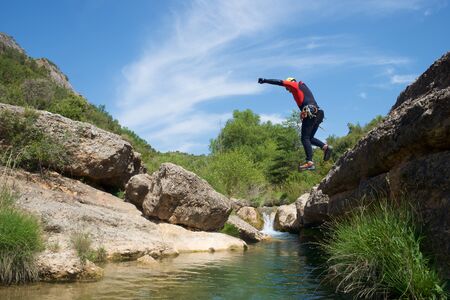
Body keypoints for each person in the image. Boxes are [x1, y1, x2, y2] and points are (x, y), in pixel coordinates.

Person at [258, 77, 332, 171]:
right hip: (318, 113)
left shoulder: (295, 85)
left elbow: (280, 82)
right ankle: (325, 147)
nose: (288, 90)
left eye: (287, 87)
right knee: (309, 138)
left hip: (310, 112)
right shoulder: (303, 87)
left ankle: (309, 162)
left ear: (291, 82)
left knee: (304, 138)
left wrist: (265, 80)